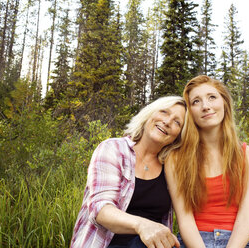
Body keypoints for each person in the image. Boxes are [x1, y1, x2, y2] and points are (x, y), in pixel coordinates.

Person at [70, 96, 186, 248]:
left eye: (177, 122)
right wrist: (142, 226)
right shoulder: (113, 149)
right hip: (106, 243)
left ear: (178, 136)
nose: (167, 122)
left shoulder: (171, 168)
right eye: (164, 112)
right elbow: (101, 209)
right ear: (149, 114)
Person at [165, 75, 249, 248]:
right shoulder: (175, 158)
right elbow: (185, 220)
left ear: (224, 102)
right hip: (193, 242)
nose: (206, 106)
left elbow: (247, 217)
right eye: (196, 101)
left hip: (240, 243)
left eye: (212, 97)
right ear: (190, 113)